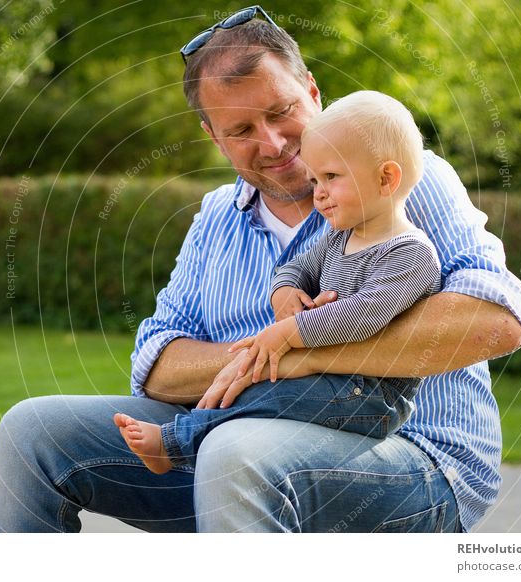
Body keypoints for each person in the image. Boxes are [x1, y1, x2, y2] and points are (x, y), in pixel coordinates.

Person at [0, 7, 521, 533]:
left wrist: (301, 351)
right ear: (213, 138)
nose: (272, 143)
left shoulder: (402, 180)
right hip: (224, 447)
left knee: (236, 452)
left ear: (314, 93)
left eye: (280, 112)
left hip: (411, 460)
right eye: (242, 129)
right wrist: (270, 355)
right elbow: (156, 365)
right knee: (32, 432)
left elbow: (495, 320)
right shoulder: (215, 217)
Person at [113, 90, 442, 474]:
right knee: (262, 385)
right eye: (316, 178)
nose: (318, 193)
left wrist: (287, 333)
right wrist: (284, 293)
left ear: (386, 179)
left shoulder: (411, 254)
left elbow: (361, 317)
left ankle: (175, 443)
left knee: (269, 393)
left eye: (331, 177)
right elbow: (294, 268)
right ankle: (188, 442)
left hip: (371, 399)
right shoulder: (341, 237)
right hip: (330, 380)